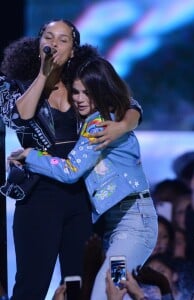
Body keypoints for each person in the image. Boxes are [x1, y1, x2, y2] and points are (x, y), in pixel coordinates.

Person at [0, 19, 142, 300]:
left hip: (84, 195)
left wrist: (121, 126)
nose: (54, 43)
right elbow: (19, 117)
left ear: (74, 50)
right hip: (39, 194)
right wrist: (43, 74)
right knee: (32, 283)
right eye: (49, 37)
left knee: (80, 284)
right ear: (38, 43)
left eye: (63, 39)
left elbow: (131, 104)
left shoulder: (84, 81)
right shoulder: (12, 85)